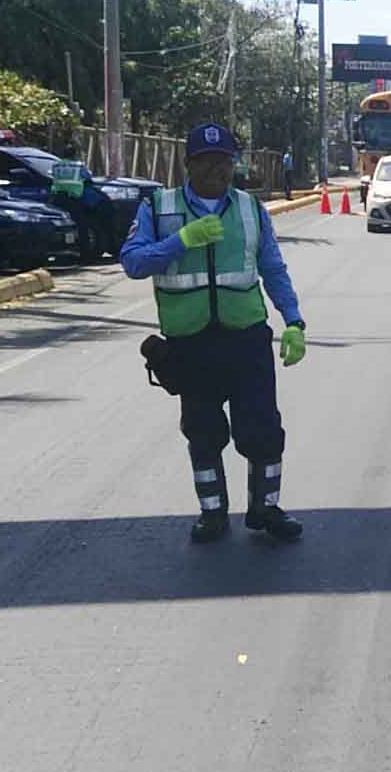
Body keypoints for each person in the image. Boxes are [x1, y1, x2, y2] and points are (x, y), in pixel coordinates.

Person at [121, 122, 308, 544]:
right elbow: (132, 263)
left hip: (246, 340)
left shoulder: (250, 208)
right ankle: (212, 513)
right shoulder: (159, 207)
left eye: (223, 162)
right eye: (206, 163)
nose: (216, 172)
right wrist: (180, 241)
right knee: (203, 433)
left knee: (262, 430)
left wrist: (293, 321)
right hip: (191, 344)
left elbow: (272, 269)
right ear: (189, 165)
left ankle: (266, 508)